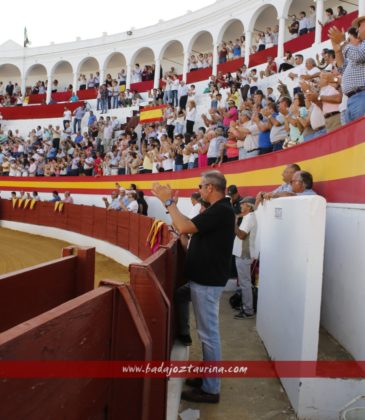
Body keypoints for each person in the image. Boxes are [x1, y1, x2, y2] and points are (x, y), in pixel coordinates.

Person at [152, 170, 235, 403]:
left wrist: (168, 202)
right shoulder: (219, 210)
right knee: (186, 303)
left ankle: (211, 389)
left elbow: (185, 228)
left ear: (210, 188)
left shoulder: (220, 210)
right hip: (204, 279)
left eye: (200, 186)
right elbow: (184, 227)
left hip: (207, 281)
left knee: (209, 335)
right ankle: (208, 375)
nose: (198, 190)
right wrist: (173, 207)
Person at [328, 16, 365, 122]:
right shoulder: (356, 50)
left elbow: (359, 56)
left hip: (361, 96)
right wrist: (338, 51)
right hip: (354, 99)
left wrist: (342, 42)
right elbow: (342, 69)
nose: (357, 29)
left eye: (360, 26)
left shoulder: (359, 51)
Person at [232, 196, 257, 319]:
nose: (240, 206)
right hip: (243, 254)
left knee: (245, 283)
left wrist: (234, 224)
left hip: (244, 255)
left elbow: (241, 235)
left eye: (243, 204)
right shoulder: (248, 217)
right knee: (244, 283)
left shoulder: (249, 218)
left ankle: (248, 310)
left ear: (248, 206)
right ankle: (246, 306)